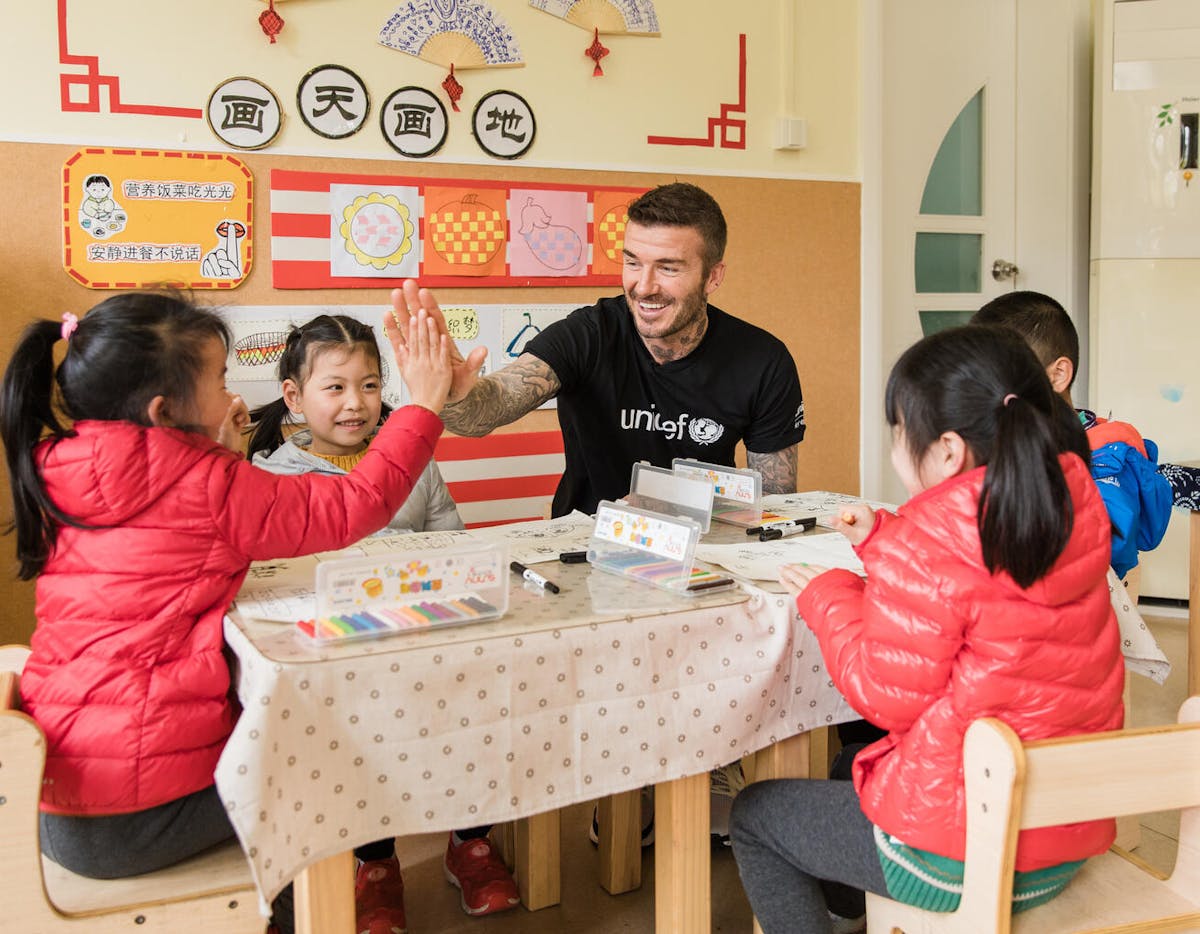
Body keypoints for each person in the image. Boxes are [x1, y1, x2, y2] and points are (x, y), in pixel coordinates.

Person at [0, 291, 450, 932]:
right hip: (136, 815)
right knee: (319, 779)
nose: (230, 387)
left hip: (54, 797)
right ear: (165, 411)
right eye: (216, 377)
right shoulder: (210, 484)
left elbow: (163, 534)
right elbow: (353, 505)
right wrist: (427, 403)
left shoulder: (55, 465)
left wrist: (217, 450)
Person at [729, 325, 1125, 934]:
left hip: (965, 854)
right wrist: (887, 539)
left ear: (946, 451)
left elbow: (881, 695)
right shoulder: (1066, 510)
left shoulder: (931, 546)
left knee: (755, 816)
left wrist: (826, 593)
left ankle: (865, 904)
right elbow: (977, 591)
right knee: (850, 767)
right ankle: (858, 912)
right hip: (1060, 836)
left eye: (898, 435)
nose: (895, 451)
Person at [246, 314, 520, 929]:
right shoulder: (268, 478)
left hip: (427, 642)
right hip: (339, 664)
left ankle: (470, 841)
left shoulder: (413, 460)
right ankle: (375, 862)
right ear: (294, 395)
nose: (356, 404)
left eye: (369, 386)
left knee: (477, 707)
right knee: (357, 748)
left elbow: (450, 542)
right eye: (335, 387)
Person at [389, 182, 807, 516]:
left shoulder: (763, 361)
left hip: (707, 548)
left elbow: (772, 503)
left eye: (668, 267)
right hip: (586, 547)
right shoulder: (588, 334)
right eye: (632, 262)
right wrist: (455, 393)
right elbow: (487, 409)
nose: (643, 286)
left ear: (713, 277)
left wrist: (672, 509)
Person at [972, 290, 1172, 579]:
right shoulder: (1006, 439)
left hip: (1096, 597)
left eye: (999, 377)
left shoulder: (1107, 457)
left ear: (1058, 374)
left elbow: (1109, 550)